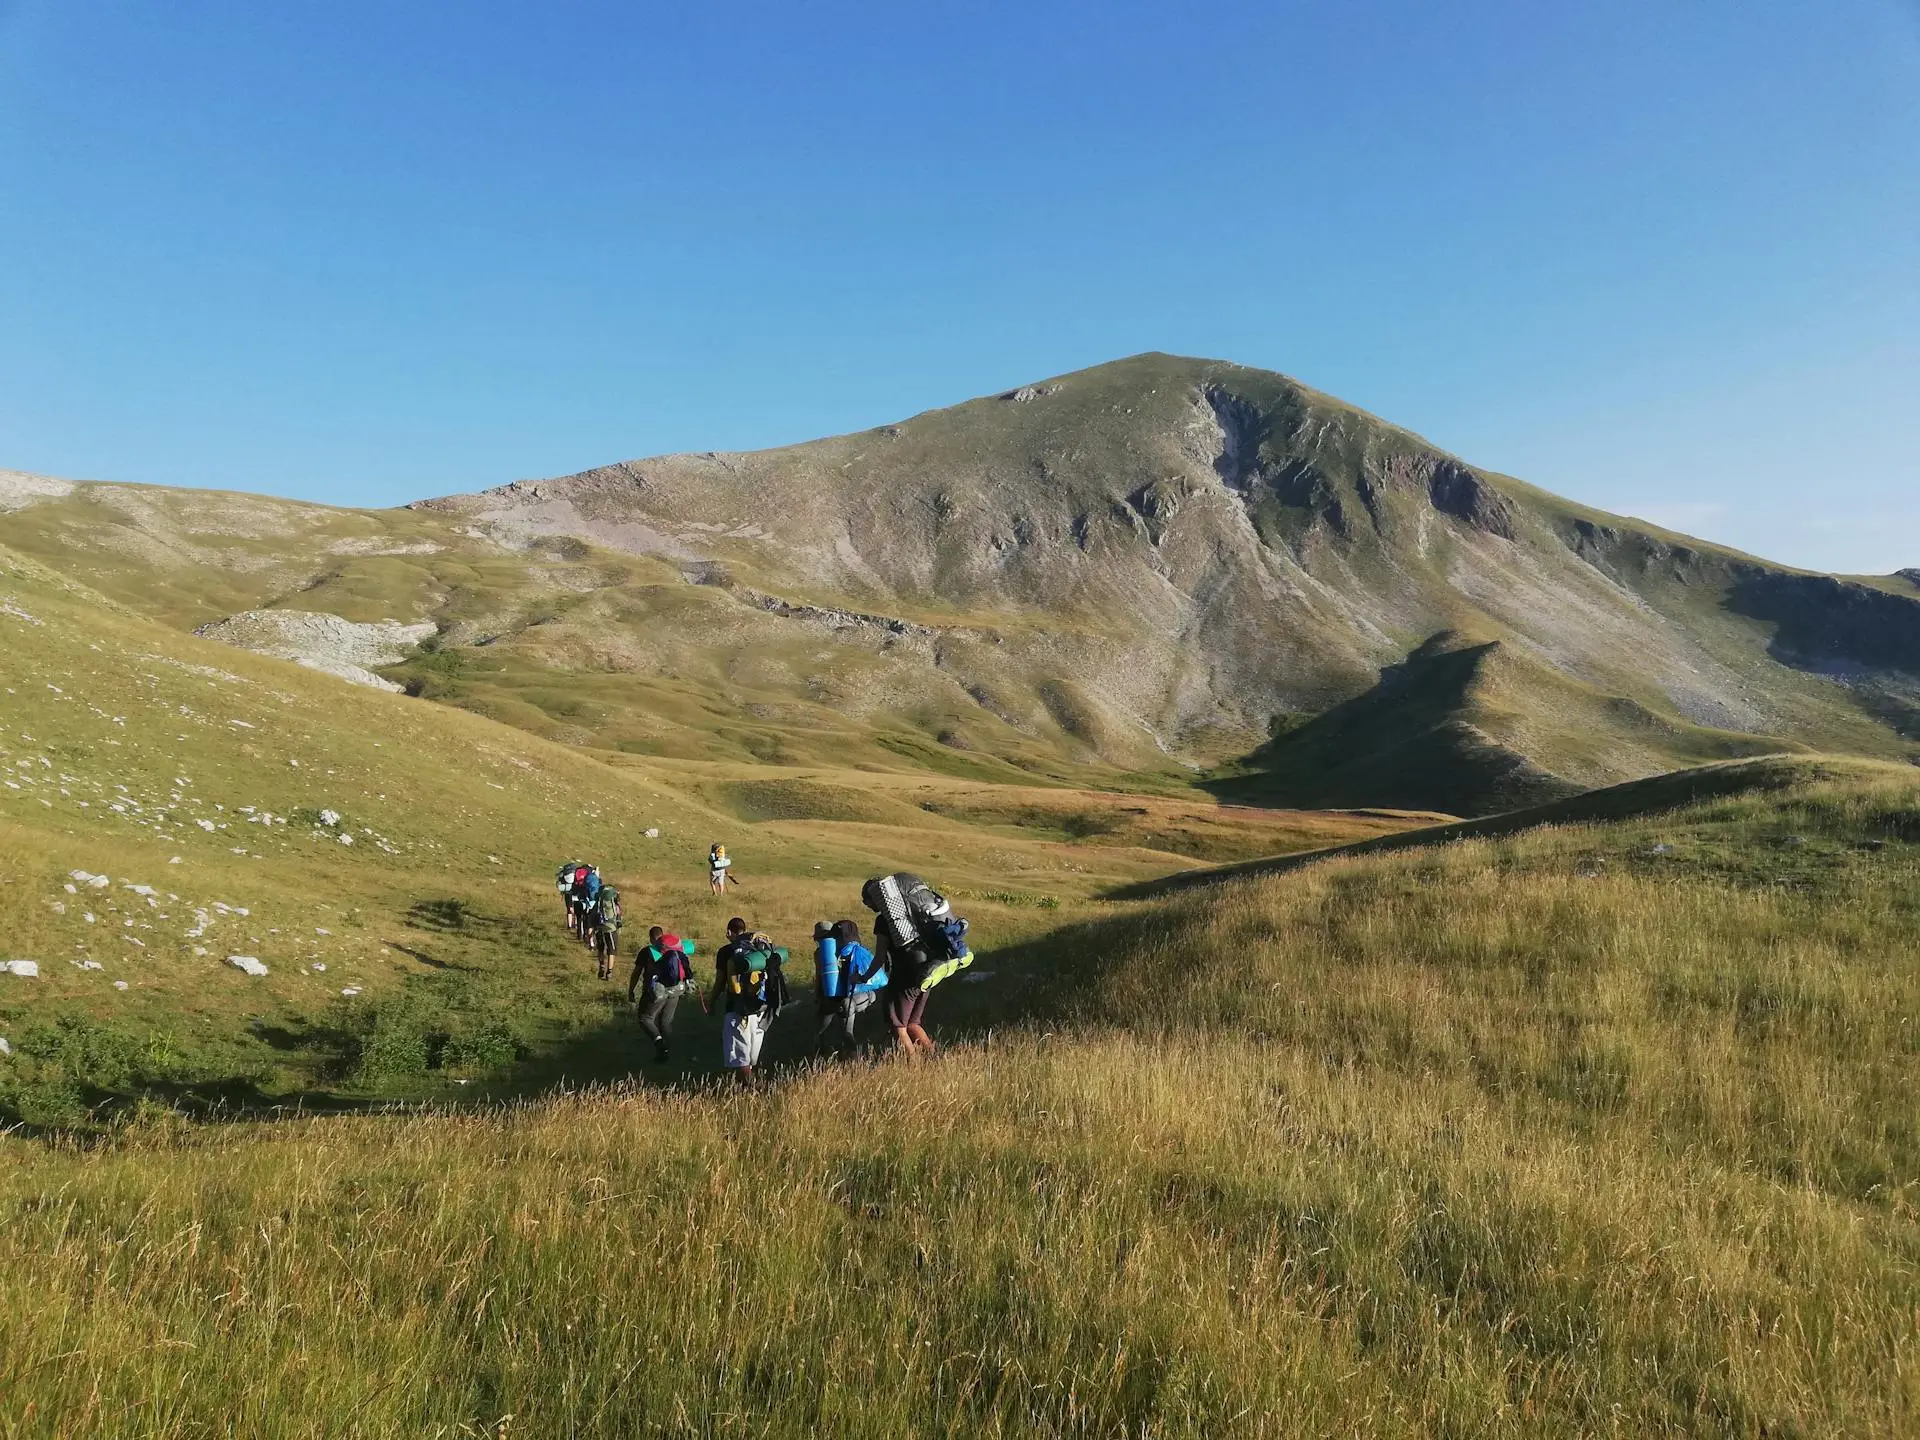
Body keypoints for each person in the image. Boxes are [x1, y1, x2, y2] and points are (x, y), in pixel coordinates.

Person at [862, 873, 970, 1058]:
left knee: (898, 1025)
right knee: (913, 1023)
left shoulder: (884, 921)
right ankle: (934, 1058)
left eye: (866, 901)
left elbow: (880, 956)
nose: (868, 906)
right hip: (927, 971)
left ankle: (914, 1067)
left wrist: (863, 978)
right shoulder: (911, 915)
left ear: (877, 898)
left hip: (905, 976)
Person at [709, 916, 787, 1085]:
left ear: (730, 932)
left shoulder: (727, 952)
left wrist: (712, 1001)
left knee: (740, 1059)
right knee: (752, 1057)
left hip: (738, 1010)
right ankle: (749, 1091)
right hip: (761, 1008)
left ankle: (754, 1091)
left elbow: (720, 982)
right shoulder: (758, 948)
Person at [815, 918, 885, 1057]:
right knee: (845, 1031)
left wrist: (819, 997)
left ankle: (846, 1061)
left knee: (831, 1032)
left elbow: (820, 979)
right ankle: (847, 1058)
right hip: (863, 996)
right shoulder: (856, 948)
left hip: (843, 999)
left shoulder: (823, 954)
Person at [630, 924, 698, 1063]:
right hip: (676, 989)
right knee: (666, 1022)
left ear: (651, 938)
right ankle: (669, 1053)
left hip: (656, 991)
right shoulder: (677, 950)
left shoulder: (647, 951)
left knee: (645, 1018)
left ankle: (660, 1045)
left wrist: (631, 990)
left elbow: (637, 972)